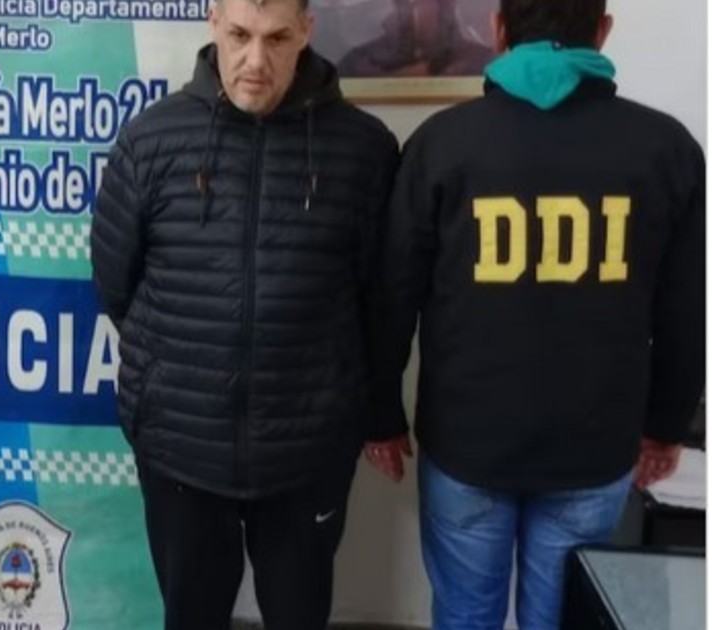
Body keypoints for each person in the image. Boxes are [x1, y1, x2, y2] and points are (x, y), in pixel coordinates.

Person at [364, 1, 704, 628]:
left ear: (498, 29)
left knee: (466, 619)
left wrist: (380, 416)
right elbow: (685, 309)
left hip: (467, 446)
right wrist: (667, 426)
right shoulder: (669, 150)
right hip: (595, 449)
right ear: (602, 31)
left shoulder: (442, 143)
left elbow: (391, 296)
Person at [90, 0, 398, 626]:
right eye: (239, 35)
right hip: (181, 444)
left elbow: (380, 299)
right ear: (213, 24)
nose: (255, 61)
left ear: (307, 32)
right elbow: (116, 285)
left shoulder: (364, 150)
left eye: (277, 38)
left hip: (307, 452)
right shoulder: (151, 140)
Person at [338, 0, 493, 77]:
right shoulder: (357, 63)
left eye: (419, 2)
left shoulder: (483, 62)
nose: (411, 11)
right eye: (404, 3)